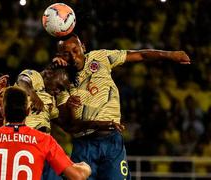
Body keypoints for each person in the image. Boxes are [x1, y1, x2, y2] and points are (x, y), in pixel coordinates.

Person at [53, 33, 191, 180]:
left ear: (83, 47)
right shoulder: (61, 80)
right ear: (60, 56)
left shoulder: (101, 58)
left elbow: (140, 56)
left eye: (76, 51)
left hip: (111, 141)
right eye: (67, 54)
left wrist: (171, 55)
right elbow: (69, 126)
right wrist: (76, 110)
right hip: (84, 145)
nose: (74, 57)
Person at [0, 86, 91, 180]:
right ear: (28, 111)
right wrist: (85, 167)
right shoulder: (44, 140)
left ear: (2, 110)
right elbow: (77, 176)